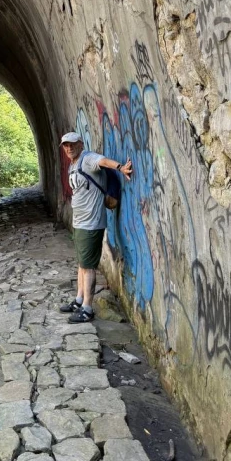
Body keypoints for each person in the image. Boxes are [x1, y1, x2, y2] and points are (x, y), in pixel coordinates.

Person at [59, 131, 132, 323]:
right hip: (79, 222)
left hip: (91, 223)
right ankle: (79, 300)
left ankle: (87, 309)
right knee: (82, 263)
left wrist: (120, 168)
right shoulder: (73, 165)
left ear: (81, 144)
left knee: (88, 266)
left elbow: (103, 161)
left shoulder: (88, 158)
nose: (69, 148)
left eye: (72, 144)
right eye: (66, 145)